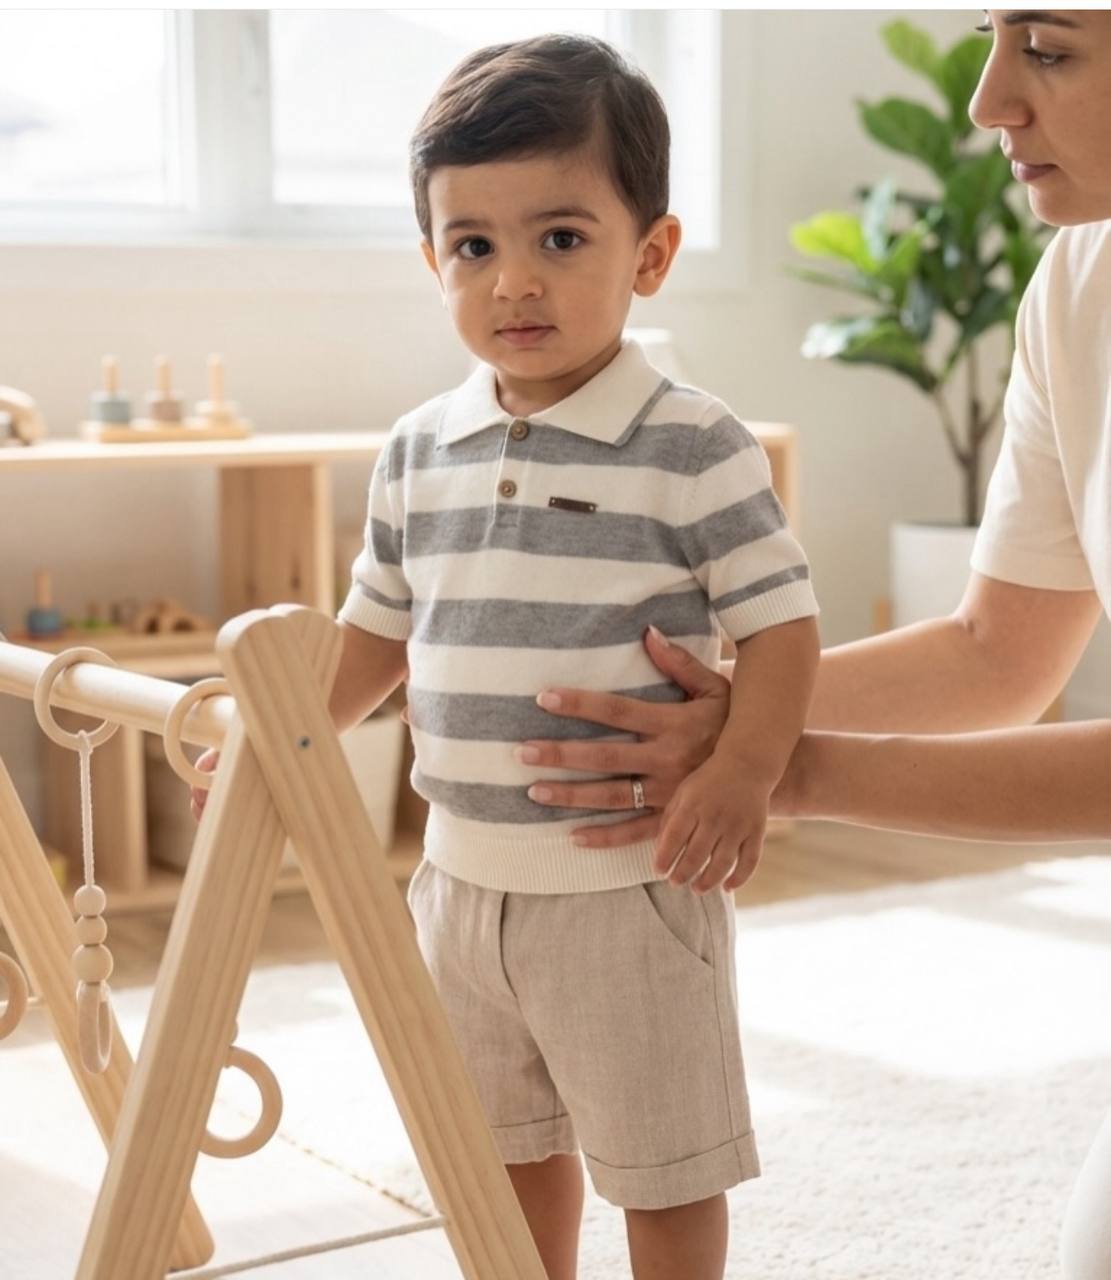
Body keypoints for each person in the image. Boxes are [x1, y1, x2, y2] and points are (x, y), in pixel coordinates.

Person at [195, 33, 820, 1280]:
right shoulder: (419, 450)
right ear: (433, 260)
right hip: (455, 882)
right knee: (503, 1148)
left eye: (561, 238)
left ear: (649, 253)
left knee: (663, 1160)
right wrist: (277, 733)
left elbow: (781, 624)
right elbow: (376, 629)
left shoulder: (691, 444)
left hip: (627, 884)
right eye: (473, 246)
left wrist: (745, 768)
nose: (513, 281)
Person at [516, 11, 1111, 1278]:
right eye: (997, 38)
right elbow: (998, 650)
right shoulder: (1078, 282)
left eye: (1050, 51)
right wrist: (733, 715)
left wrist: (784, 767)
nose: (988, 102)